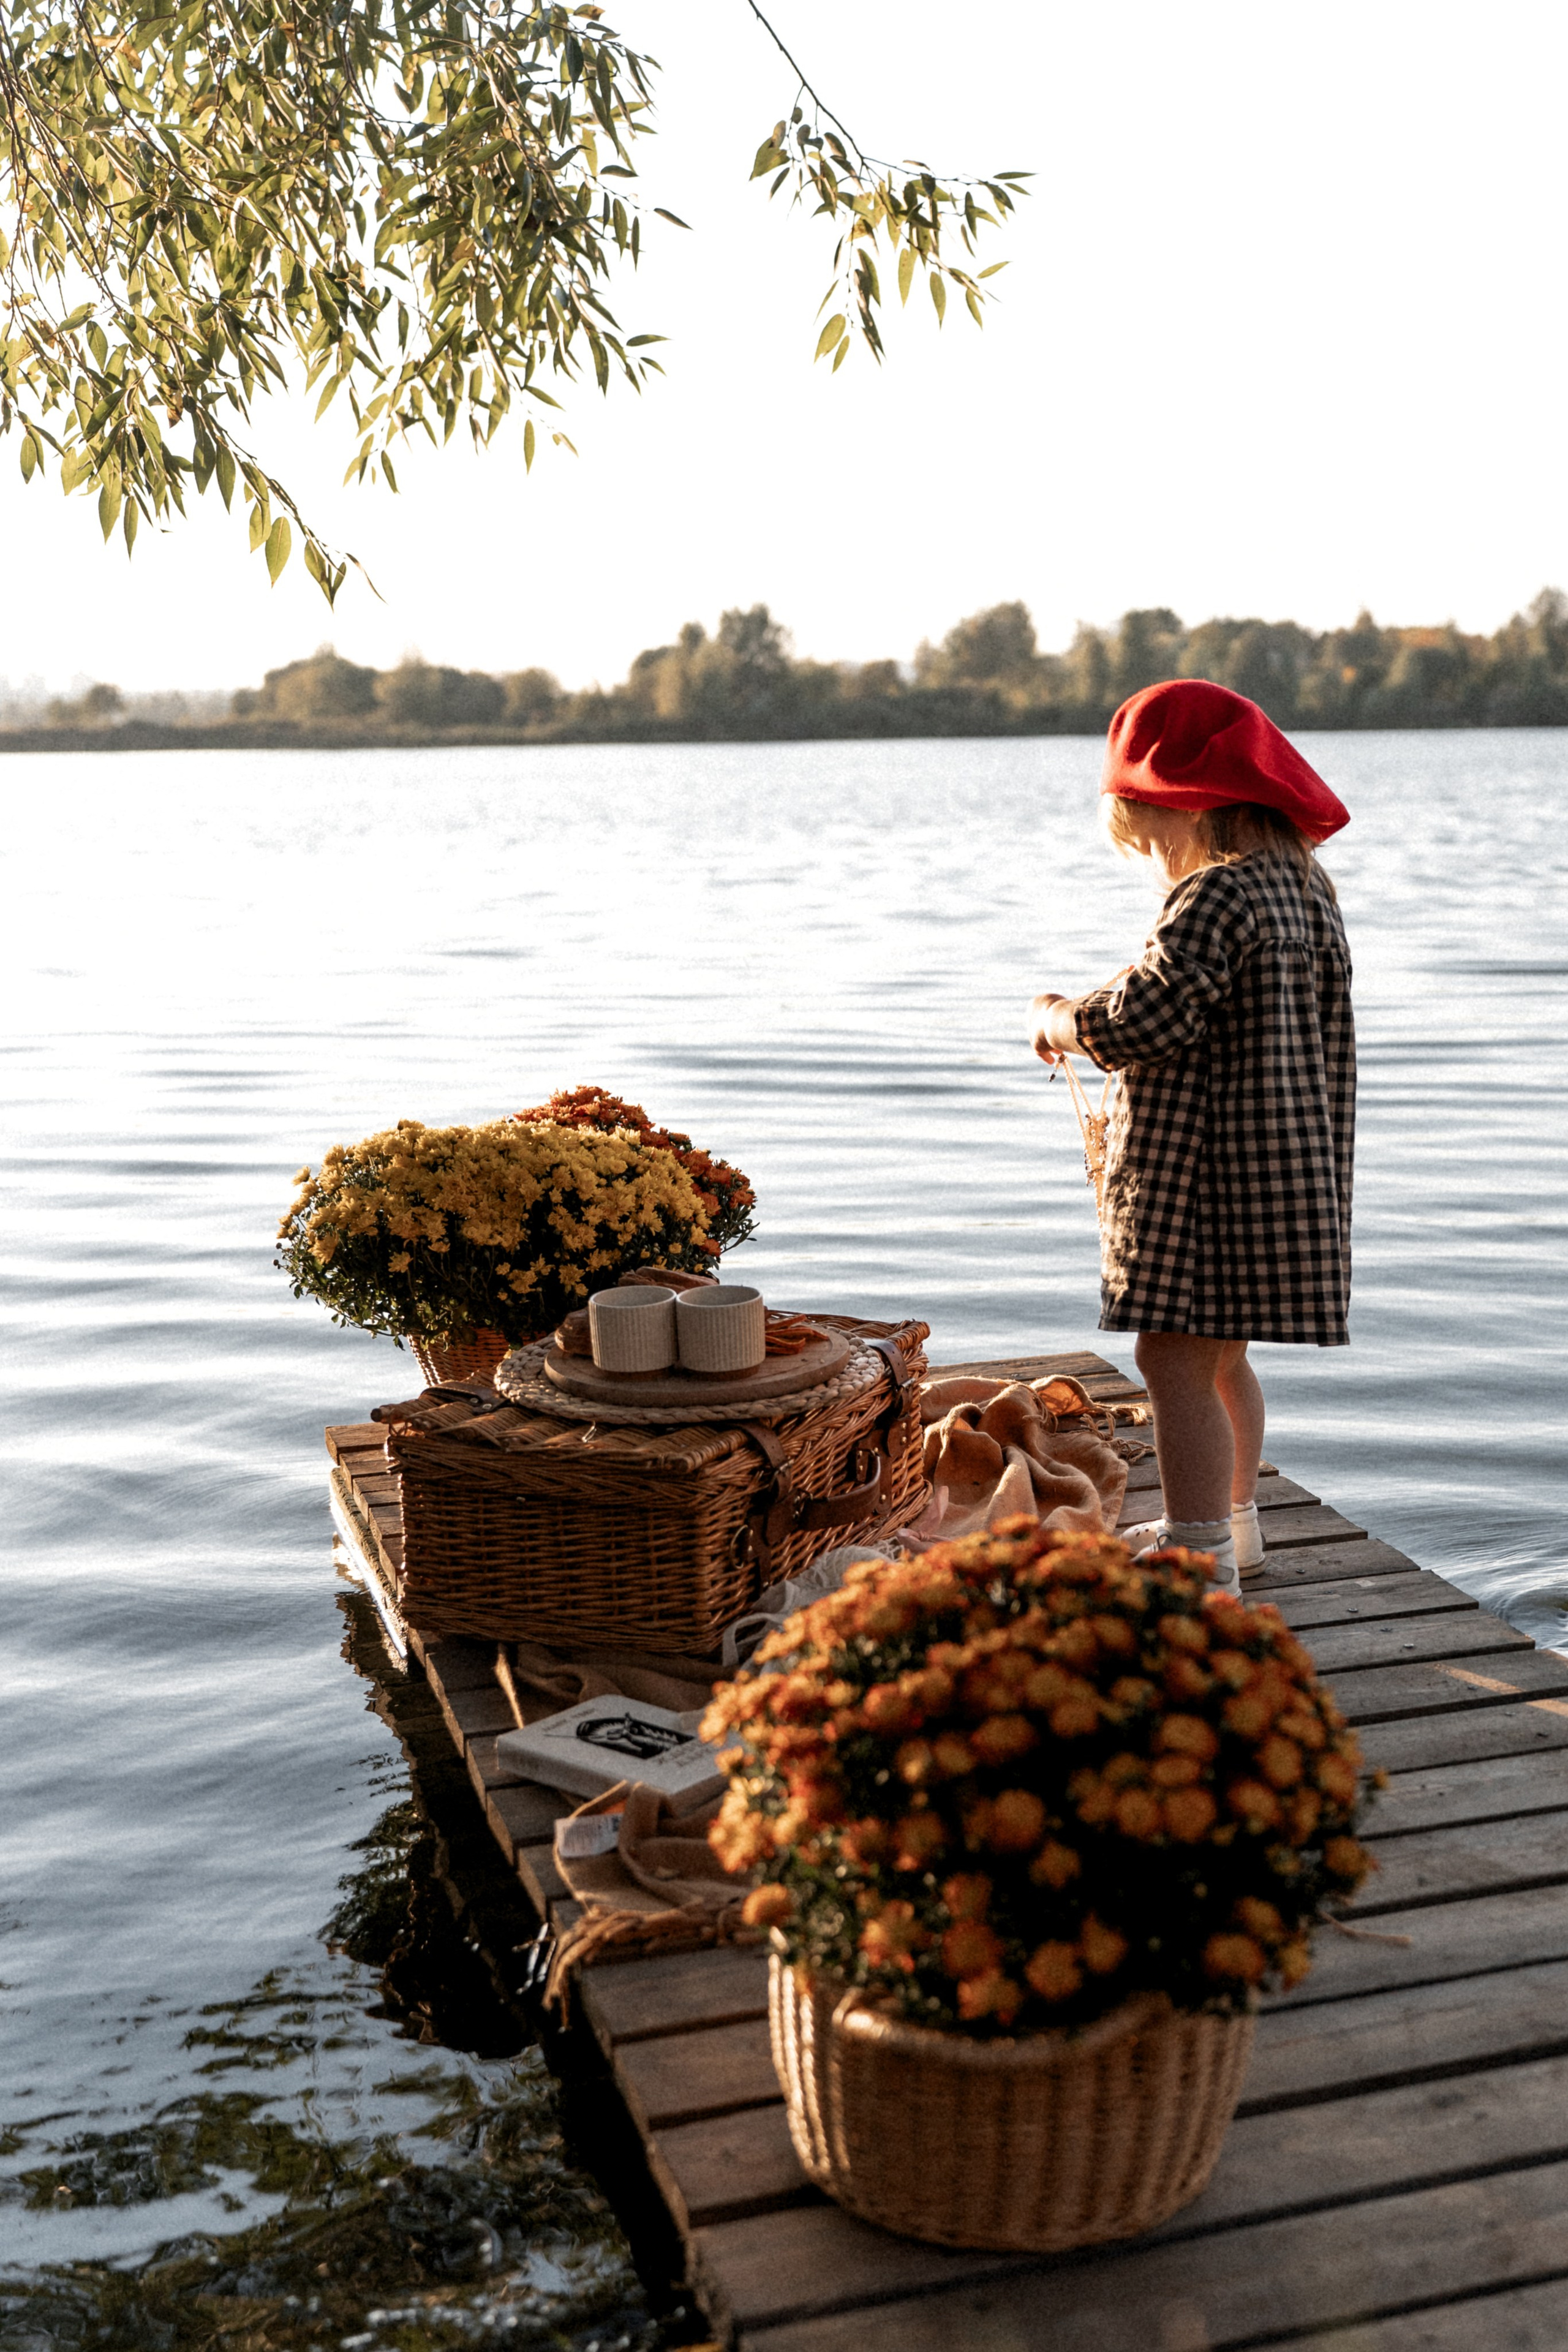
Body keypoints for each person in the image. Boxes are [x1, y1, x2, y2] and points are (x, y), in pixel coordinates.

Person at [1028, 679, 1354, 1592]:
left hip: (1203, 1178)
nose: (1153, 855)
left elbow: (1141, 1022)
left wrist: (1057, 1017)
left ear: (1186, 805)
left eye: (1149, 834)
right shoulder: (1306, 890)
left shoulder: (1214, 896)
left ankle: (1200, 1555)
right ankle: (1237, 1524)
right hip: (1283, 1169)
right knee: (1224, 1354)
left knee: (1168, 1356)